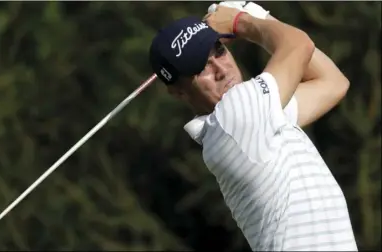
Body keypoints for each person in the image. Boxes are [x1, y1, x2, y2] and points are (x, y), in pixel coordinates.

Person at [148, 2, 357, 251]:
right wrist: (243, 21)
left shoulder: (259, 118)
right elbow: (299, 45)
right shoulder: (233, 118)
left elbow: (333, 83)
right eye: (201, 67)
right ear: (178, 92)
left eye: (219, 50)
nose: (221, 70)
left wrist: (257, 15)